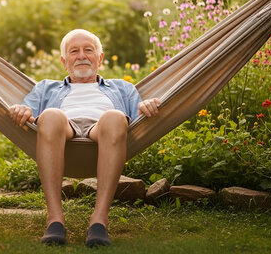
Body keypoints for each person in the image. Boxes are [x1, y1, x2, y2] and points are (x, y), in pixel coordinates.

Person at [9, 29, 160, 247]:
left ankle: (99, 220)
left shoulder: (124, 88)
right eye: (74, 51)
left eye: (88, 50)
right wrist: (18, 110)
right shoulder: (45, 89)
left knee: (115, 117)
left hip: (103, 129)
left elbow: (139, 120)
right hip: (63, 128)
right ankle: (54, 220)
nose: (81, 55)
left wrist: (147, 106)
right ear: (64, 61)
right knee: (50, 115)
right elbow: (26, 111)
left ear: (100, 58)